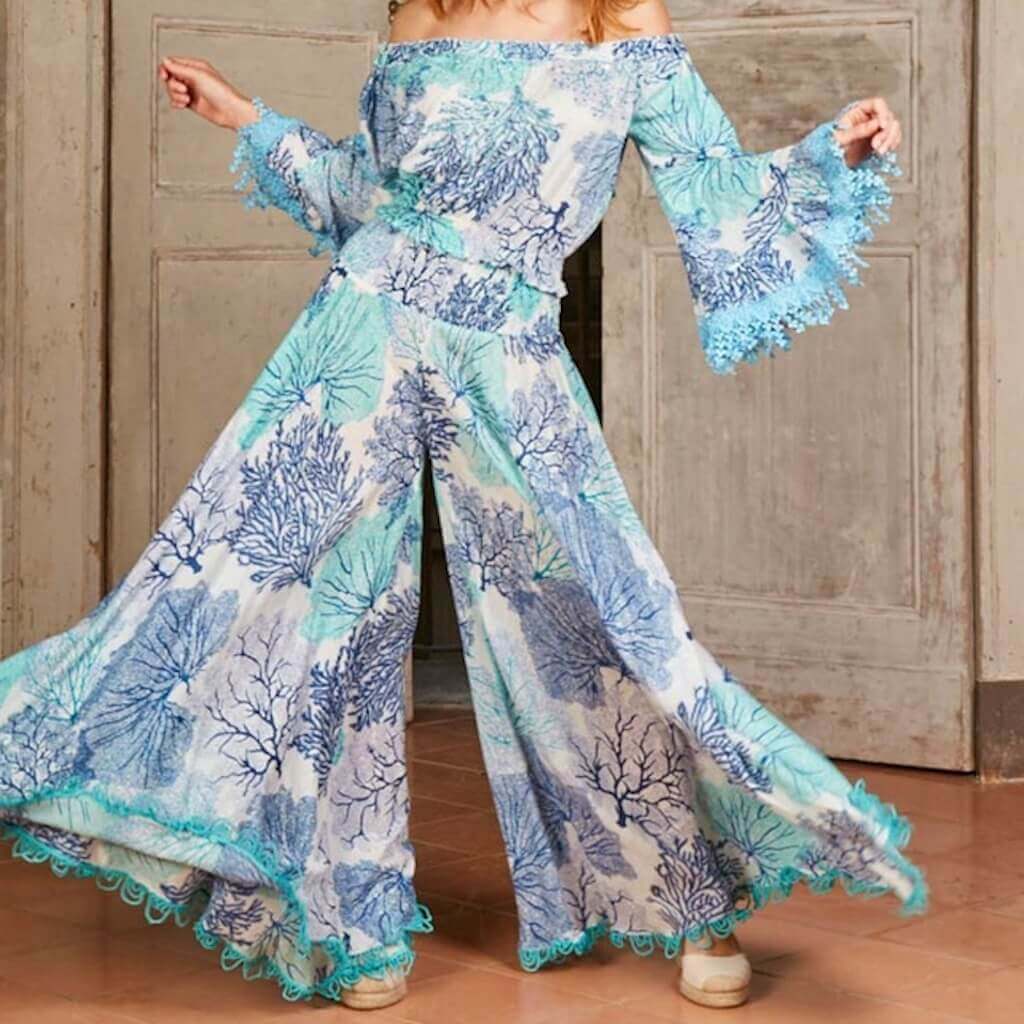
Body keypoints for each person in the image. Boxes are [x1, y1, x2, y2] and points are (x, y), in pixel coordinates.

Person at [0, 0, 916, 1013]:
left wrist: (833, 152)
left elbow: (709, 183)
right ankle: (355, 922)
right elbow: (369, 196)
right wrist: (245, 118)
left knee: (592, 614)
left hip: (510, 347)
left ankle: (693, 902)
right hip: (361, 329)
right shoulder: (416, 12)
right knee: (301, 601)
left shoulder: (619, 16)